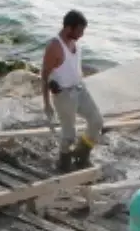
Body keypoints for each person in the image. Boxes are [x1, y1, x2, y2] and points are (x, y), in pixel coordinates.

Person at [41, 10, 104, 171]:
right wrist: (47, 104)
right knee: (69, 135)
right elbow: (44, 75)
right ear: (69, 28)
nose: (82, 35)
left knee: (97, 121)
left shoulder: (74, 42)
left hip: (79, 89)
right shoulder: (54, 46)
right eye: (80, 31)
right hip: (64, 95)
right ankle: (63, 162)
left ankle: (82, 153)